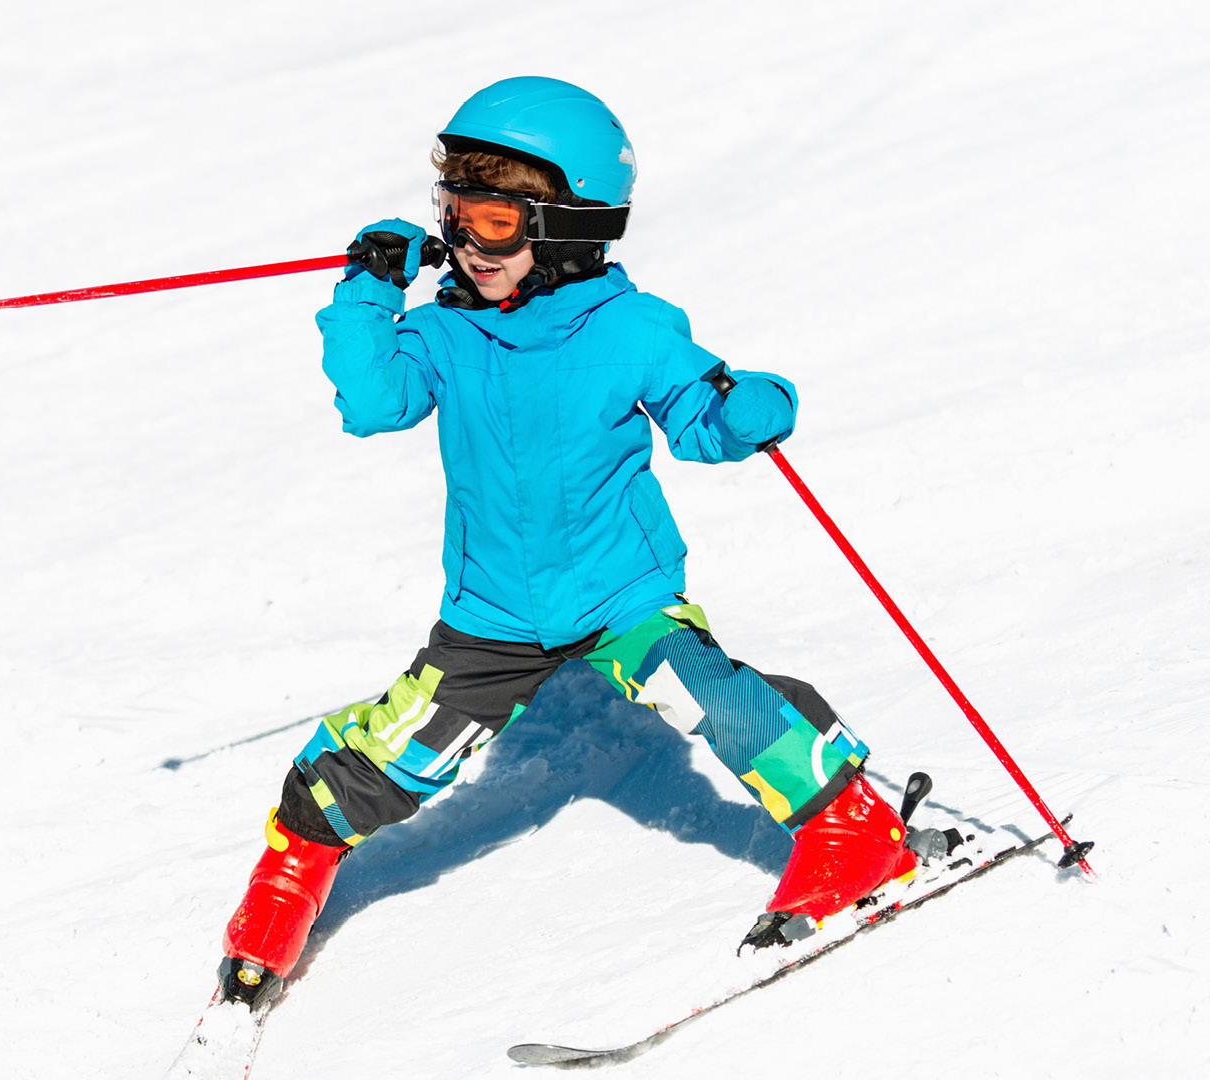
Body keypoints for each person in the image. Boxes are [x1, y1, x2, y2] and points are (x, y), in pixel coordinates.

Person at [215, 77, 920, 1007]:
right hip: (492, 614)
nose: (466, 240)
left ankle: (854, 830)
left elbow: (706, 421)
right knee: (392, 753)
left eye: (495, 220)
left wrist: (754, 405)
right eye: (454, 211)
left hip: (620, 595)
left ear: (570, 228)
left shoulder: (632, 327)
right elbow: (373, 402)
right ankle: (291, 869)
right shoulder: (442, 330)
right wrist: (365, 290)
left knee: (716, 698)